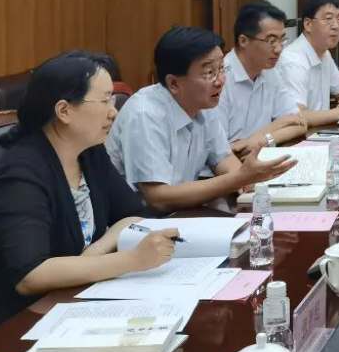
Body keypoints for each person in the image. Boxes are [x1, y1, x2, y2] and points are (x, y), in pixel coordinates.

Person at [0, 53, 175, 333]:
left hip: (75, 303)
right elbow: (31, 275)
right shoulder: (20, 174)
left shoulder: (89, 152)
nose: (113, 112)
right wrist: (131, 261)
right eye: (104, 101)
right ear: (64, 111)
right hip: (14, 326)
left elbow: (132, 215)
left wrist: (97, 250)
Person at [106, 26, 296, 212]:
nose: (220, 81)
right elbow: (158, 198)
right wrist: (238, 178)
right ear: (174, 83)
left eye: (222, 69)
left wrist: (244, 179)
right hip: (136, 220)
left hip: (182, 212)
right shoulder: (145, 114)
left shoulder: (204, 102)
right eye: (209, 73)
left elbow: (223, 159)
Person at [216, 1, 308, 156]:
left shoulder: (269, 71)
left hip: (261, 159)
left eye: (282, 40)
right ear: (244, 41)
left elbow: (300, 124)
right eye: (271, 41)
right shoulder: (220, 80)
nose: (279, 49)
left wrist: (263, 140)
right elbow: (223, 153)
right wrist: (277, 125)